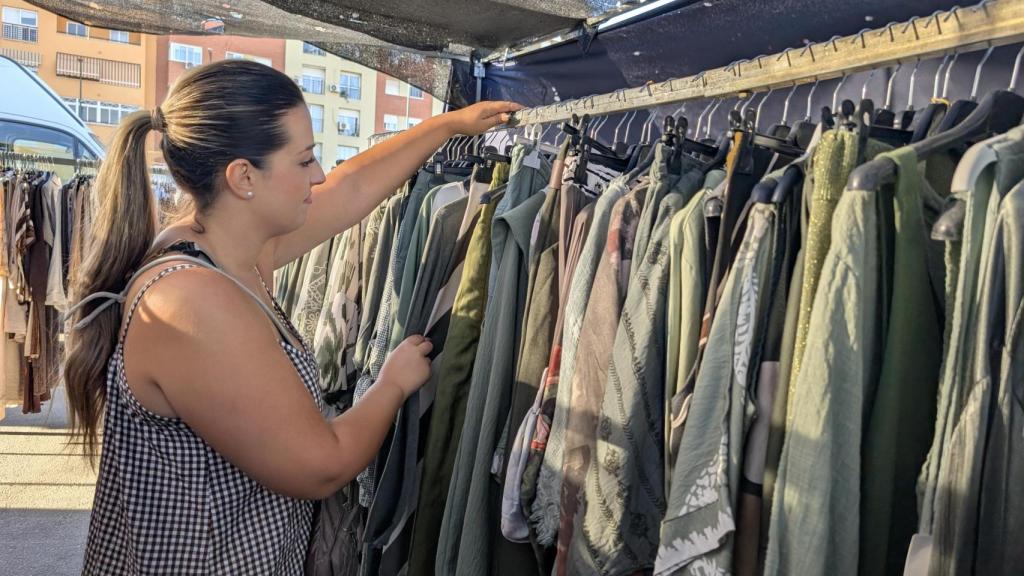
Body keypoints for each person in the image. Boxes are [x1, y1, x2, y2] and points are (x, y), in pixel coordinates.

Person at [62, 59, 521, 574]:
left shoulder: (227, 245)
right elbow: (321, 466)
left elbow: (350, 189)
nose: (319, 174)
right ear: (243, 177)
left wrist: (448, 125)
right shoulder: (192, 302)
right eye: (304, 161)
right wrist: (391, 384)